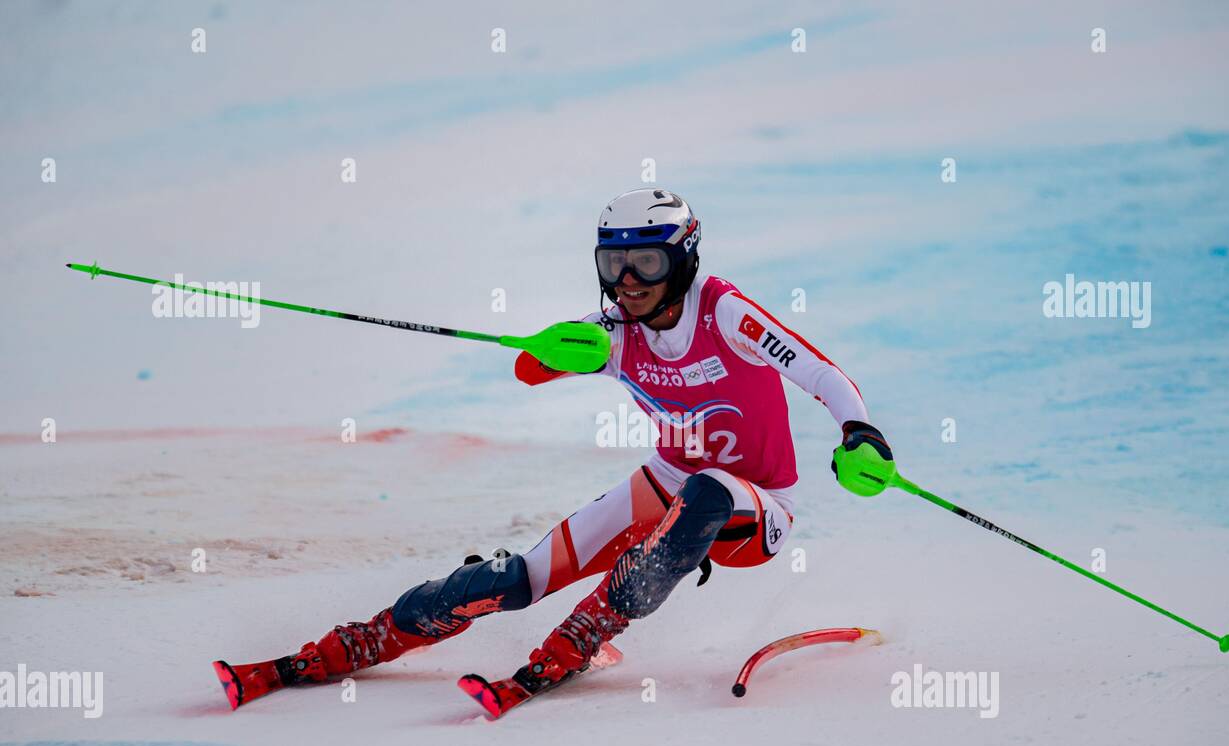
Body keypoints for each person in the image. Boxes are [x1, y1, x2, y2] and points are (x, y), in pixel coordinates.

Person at [213, 188, 893, 716]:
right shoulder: (616, 333)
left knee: (711, 490)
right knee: (516, 578)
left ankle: (579, 638)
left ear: (683, 258)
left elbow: (820, 373)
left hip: (757, 507)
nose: (628, 281)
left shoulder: (724, 313)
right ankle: (354, 643)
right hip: (666, 480)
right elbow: (526, 372)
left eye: (646, 262)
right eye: (613, 264)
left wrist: (857, 430)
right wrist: (558, 347)